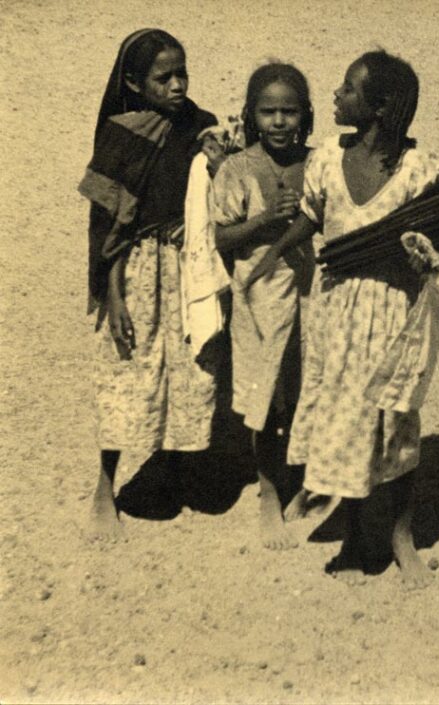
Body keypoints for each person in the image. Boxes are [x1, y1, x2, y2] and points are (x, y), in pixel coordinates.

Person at [247, 50, 439, 588]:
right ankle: (359, 534)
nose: (335, 97)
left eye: (347, 89)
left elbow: (431, 242)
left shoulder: (419, 169)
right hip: (337, 312)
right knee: (344, 417)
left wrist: (422, 256)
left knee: (394, 423)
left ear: (379, 107)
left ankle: (400, 537)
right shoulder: (325, 160)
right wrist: (274, 253)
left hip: (393, 314)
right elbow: (312, 216)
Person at [78, 29, 220, 539]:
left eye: (182, 74)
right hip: (136, 270)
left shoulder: (196, 124)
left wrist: (212, 148)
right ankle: (104, 489)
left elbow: (212, 152)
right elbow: (110, 228)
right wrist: (113, 294)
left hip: (186, 266)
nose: (178, 85)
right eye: (165, 78)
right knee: (128, 369)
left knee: (187, 368)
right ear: (135, 83)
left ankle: (173, 472)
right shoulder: (121, 135)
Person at [213, 62, 315, 550]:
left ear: (305, 116)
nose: (278, 122)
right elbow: (221, 236)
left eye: (289, 112)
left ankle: (305, 482)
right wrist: (261, 221)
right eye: (268, 111)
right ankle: (269, 493)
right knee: (266, 397)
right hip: (259, 297)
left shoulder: (318, 164)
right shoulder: (237, 168)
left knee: (303, 390)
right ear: (252, 116)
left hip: (312, 294)